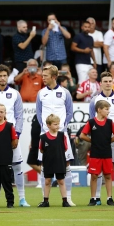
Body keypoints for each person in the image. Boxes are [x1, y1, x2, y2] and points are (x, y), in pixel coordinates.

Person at [0, 64, 30, 207]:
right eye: (0, 75)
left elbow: (19, 115)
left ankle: (22, 198)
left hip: (11, 135)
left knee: (17, 167)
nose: (2, 78)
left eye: (5, 75)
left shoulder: (15, 93)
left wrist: (17, 134)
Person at [36, 65, 76, 206]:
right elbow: (39, 113)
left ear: (53, 77)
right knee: (43, 166)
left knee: (66, 164)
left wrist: (62, 127)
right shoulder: (41, 93)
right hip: (45, 134)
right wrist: (44, 128)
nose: (43, 78)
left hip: (61, 134)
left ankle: (68, 198)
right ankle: (44, 198)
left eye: (45, 75)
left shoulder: (65, 92)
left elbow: (70, 112)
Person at [89, 71, 114, 205]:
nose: (108, 83)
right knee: (98, 170)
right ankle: (97, 197)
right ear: (101, 83)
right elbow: (92, 119)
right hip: (100, 140)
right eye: (105, 81)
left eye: (110, 81)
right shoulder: (95, 100)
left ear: (113, 82)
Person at [81, 100, 114, 206]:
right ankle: (93, 199)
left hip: (107, 153)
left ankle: (109, 198)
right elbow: (82, 135)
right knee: (94, 176)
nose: (108, 111)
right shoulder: (91, 122)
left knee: (108, 176)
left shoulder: (110, 122)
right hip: (95, 154)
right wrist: (92, 141)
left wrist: (109, 141)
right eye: (106, 109)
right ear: (99, 110)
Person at [38, 114, 70, 208]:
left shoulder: (62, 136)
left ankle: (65, 201)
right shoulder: (43, 137)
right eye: (55, 124)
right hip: (48, 162)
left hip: (60, 161)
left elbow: (64, 148)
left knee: (61, 181)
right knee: (47, 181)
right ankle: (45, 201)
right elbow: (41, 149)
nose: (58, 126)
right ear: (48, 125)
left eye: (58, 124)